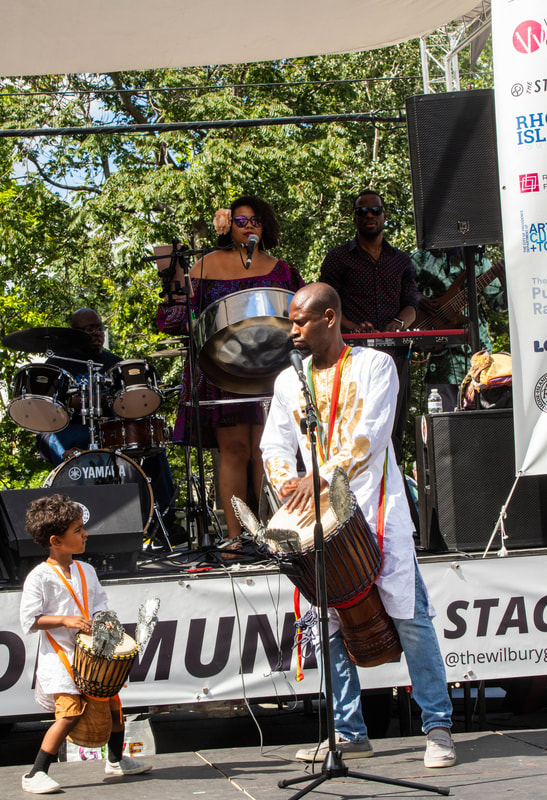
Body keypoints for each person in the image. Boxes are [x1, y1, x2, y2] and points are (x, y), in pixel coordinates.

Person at [260, 283, 456, 769]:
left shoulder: (374, 365)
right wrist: (288, 484)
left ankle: (438, 727)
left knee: (411, 618)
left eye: (300, 320)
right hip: (319, 520)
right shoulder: (290, 381)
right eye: (290, 321)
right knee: (328, 626)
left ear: (330, 318)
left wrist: (319, 477)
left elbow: (371, 434)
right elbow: (274, 446)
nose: (293, 330)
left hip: (376, 507)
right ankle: (348, 731)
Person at [157, 195, 305, 550]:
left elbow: (300, 315)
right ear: (227, 226)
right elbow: (176, 321)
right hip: (225, 369)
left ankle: (276, 532)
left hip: (271, 367)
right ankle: (238, 537)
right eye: (240, 221)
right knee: (235, 449)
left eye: (255, 220)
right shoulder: (206, 266)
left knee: (265, 448)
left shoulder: (282, 270)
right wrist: (173, 284)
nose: (249, 226)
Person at [20, 493, 152, 794]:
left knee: (115, 711)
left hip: (94, 657)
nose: (85, 534)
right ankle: (35, 773)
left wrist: (105, 622)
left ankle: (116, 760)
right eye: (78, 530)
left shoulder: (86, 570)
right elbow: (29, 620)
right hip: (62, 659)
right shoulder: (39, 577)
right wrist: (66, 620)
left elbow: (100, 607)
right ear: (56, 540)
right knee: (69, 715)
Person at [36, 308, 179, 537]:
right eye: (89, 329)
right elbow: (50, 406)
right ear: (74, 333)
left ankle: (164, 520)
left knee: (152, 447)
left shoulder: (113, 362)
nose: (97, 333)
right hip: (69, 428)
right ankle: (73, 523)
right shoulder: (58, 362)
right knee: (54, 439)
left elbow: (126, 400)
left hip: (108, 428)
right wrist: (82, 400)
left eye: (99, 327)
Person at [319, 189, 418, 462]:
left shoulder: (401, 260)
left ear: (385, 215)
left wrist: (397, 324)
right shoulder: (338, 258)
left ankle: (393, 490)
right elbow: (325, 304)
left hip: (394, 355)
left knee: (393, 427)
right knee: (353, 426)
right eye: (363, 211)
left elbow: (412, 304)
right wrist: (351, 326)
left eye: (375, 210)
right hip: (351, 355)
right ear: (355, 219)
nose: (370, 216)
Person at [412, 248, 507, 411]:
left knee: (480, 423)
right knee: (442, 424)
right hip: (439, 362)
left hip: (477, 357)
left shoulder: (477, 259)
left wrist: (504, 279)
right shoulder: (419, 259)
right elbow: (399, 293)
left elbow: (498, 304)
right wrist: (416, 297)